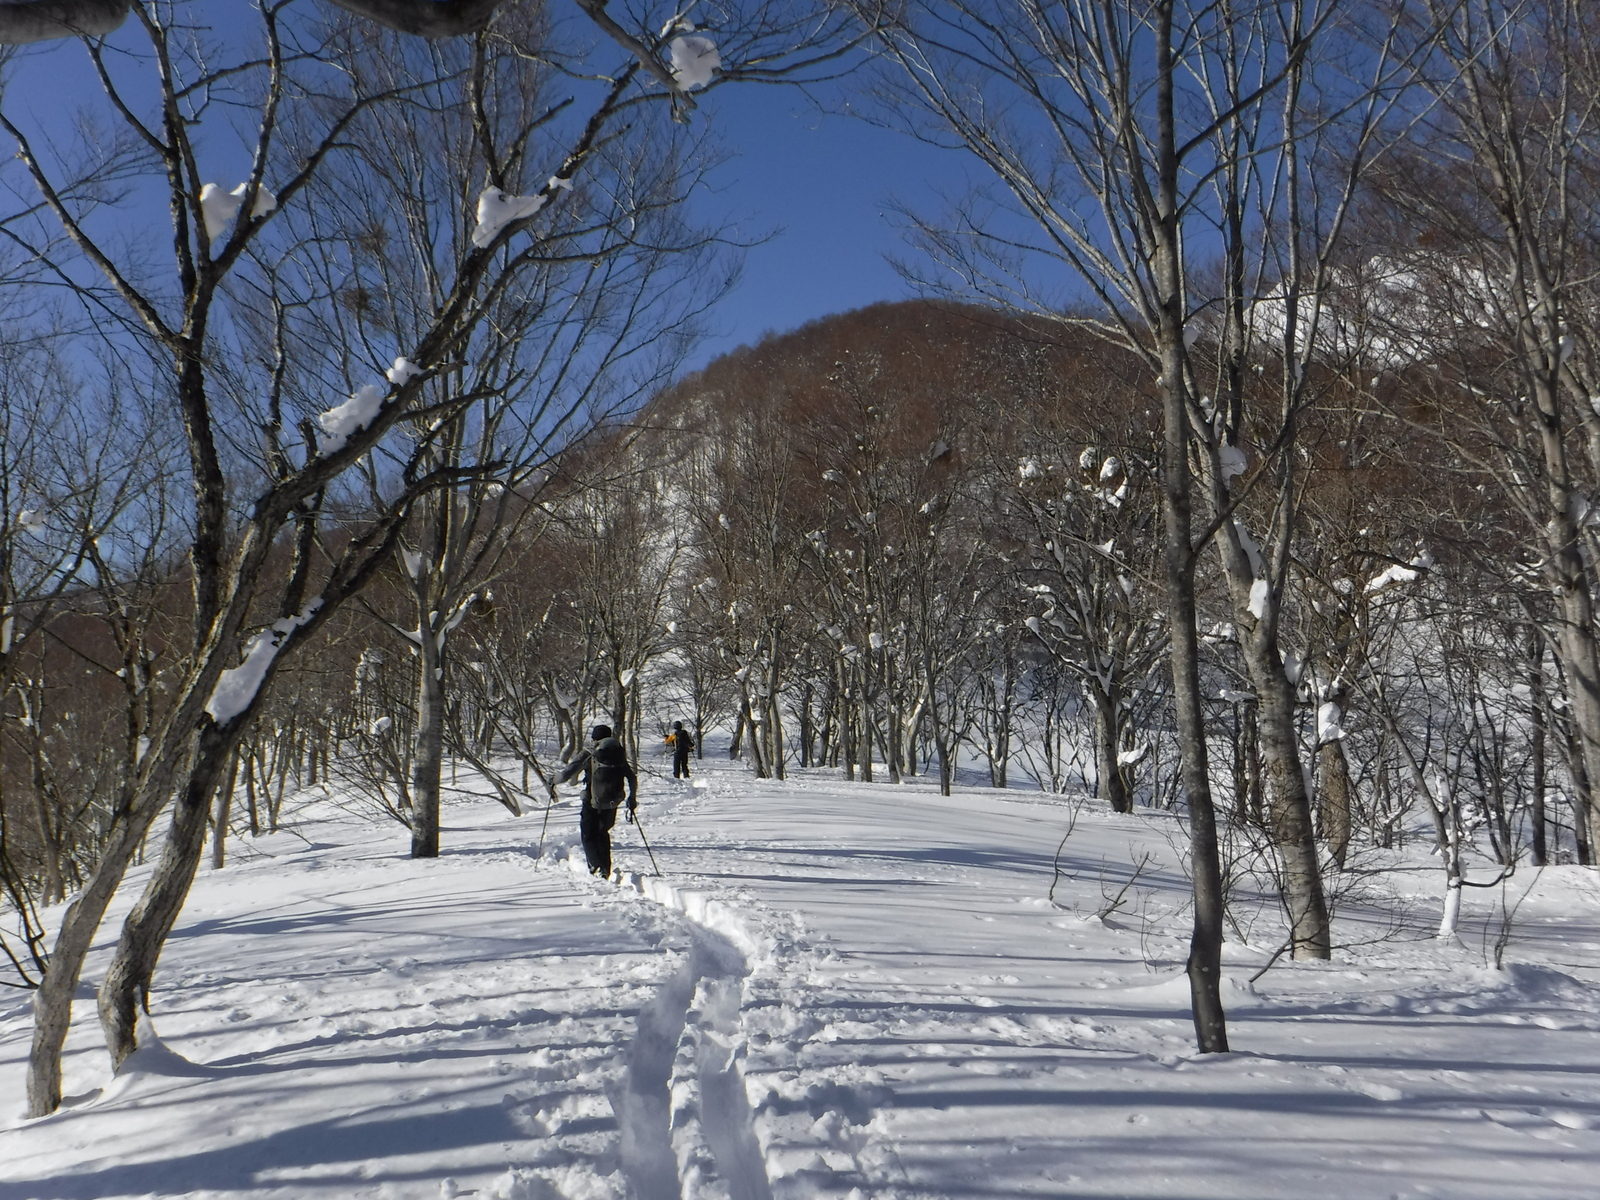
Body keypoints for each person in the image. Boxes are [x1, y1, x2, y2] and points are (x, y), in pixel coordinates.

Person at [555, 724, 637, 877]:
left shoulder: (590, 752)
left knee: (588, 834)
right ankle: (605, 868)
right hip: (613, 801)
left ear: (594, 739)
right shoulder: (618, 752)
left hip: (591, 800)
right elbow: (631, 777)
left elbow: (567, 773)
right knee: (602, 832)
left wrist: (553, 780)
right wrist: (632, 798)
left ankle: (596, 867)